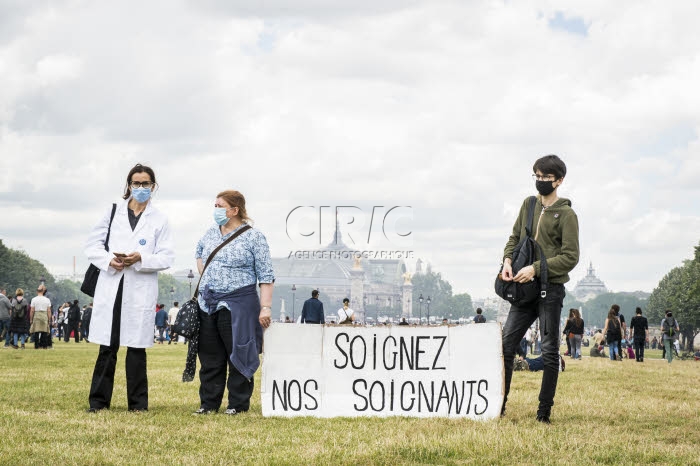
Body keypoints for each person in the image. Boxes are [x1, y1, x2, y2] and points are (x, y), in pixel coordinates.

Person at [85, 163, 175, 413]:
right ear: (128, 185)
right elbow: (92, 246)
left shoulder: (160, 219)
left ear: (153, 187)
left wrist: (141, 258)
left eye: (146, 183)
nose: (141, 187)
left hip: (139, 287)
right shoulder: (112, 212)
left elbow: (167, 257)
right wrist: (109, 261)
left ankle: (137, 405)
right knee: (108, 345)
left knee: (136, 348)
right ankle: (98, 402)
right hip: (113, 284)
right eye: (136, 183)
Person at [499, 155, 579, 424]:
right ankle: (499, 403)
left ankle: (543, 413)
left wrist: (536, 268)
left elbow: (570, 256)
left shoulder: (566, 215)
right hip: (522, 289)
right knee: (506, 345)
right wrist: (508, 260)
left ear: (559, 180)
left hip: (550, 289)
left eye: (546, 177)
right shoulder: (528, 205)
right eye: (537, 176)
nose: (541, 181)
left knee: (548, 350)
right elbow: (514, 237)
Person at [194, 189, 274, 415]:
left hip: (238, 303)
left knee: (238, 351)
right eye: (215, 205)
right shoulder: (210, 233)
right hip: (208, 303)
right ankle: (208, 403)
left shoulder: (254, 237)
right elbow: (199, 252)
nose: (216, 210)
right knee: (210, 355)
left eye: (220, 206)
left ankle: (237, 404)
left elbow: (266, 275)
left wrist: (265, 307)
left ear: (234, 210)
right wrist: (207, 274)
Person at [30, 285, 52, 349]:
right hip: (44, 315)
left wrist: (31, 319)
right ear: (43, 291)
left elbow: (32, 310)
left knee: (36, 331)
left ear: (37, 291)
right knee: (44, 331)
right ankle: (44, 345)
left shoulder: (34, 299)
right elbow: (49, 310)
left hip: (37, 314)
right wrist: (49, 319)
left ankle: (36, 345)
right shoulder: (47, 300)